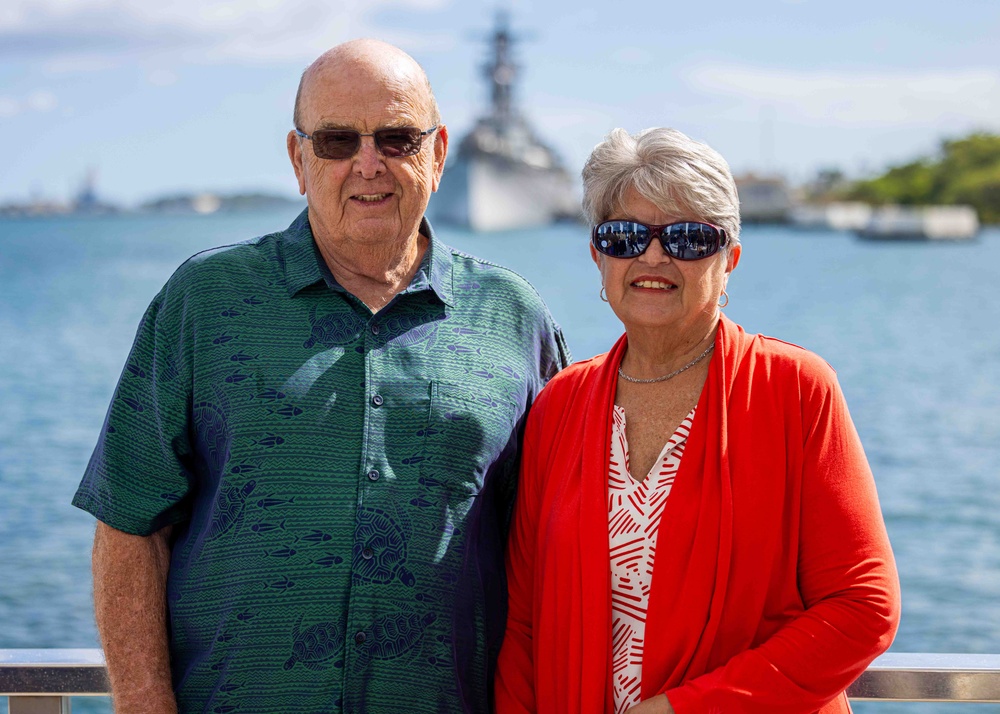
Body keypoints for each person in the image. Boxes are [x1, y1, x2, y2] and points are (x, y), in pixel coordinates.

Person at [73, 39, 569, 714]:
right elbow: (129, 522)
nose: (369, 165)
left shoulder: (513, 318)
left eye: (397, 138)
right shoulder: (205, 300)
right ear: (298, 159)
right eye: (337, 141)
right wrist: (144, 705)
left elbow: (555, 546)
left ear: (439, 153)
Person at [495, 127, 900, 714]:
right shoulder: (560, 403)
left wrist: (686, 708)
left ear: (729, 258)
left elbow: (864, 607)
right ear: (598, 255)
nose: (653, 256)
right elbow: (525, 624)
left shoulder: (796, 389)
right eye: (625, 235)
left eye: (687, 238)